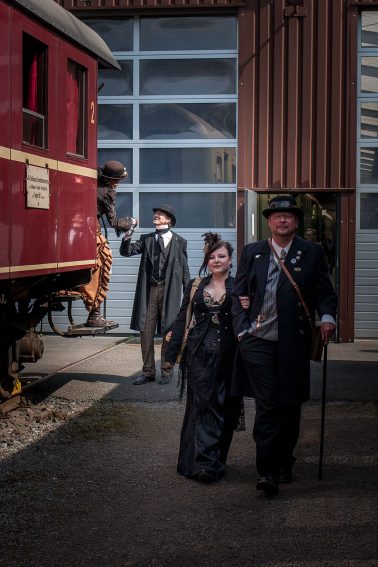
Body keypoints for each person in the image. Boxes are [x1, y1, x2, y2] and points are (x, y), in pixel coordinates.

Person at [232, 195, 337, 496]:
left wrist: (327, 317)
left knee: (290, 405)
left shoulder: (311, 252)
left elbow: (325, 293)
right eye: (276, 216)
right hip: (258, 341)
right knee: (268, 405)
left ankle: (283, 462)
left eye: (288, 216)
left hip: (294, 343)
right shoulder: (252, 252)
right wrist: (242, 332)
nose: (282, 220)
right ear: (268, 221)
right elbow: (237, 295)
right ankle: (266, 471)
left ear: (296, 221)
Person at [164, 233, 241, 483]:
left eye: (222, 256)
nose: (217, 260)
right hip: (198, 355)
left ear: (230, 260)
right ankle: (203, 464)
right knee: (202, 406)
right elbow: (181, 318)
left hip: (229, 356)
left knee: (225, 409)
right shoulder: (196, 285)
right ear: (207, 260)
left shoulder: (239, 286)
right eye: (212, 256)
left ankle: (215, 460)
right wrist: (169, 354)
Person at [120, 204, 190, 385]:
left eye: (160, 214)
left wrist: (189, 295)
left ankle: (166, 371)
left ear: (169, 220)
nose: (156, 215)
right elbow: (126, 252)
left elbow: (184, 270)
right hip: (149, 290)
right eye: (155, 214)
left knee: (169, 331)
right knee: (146, 331)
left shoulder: (180, 242)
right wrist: (128, 235)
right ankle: (148, 372)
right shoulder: (147, 239)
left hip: (170, 291)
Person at [81, 160, 137, 328]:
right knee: (103, 265)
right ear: (113, 180)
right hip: (91, 232)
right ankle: (94, 315)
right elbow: (114, 222)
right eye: (118, 180)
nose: (118, 184)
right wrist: (131, 221)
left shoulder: (92, 179)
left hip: (77, 230)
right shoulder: (107, 192)